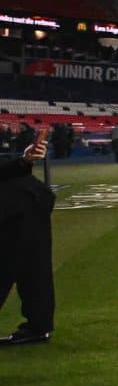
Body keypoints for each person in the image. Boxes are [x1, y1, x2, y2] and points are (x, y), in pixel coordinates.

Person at [0, 134, 55, 346]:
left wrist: (24, 161)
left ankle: (38, 326)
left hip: (19, 205)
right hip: (26, 201)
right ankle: (39, 326)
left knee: (23, 263)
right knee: (32, 265)